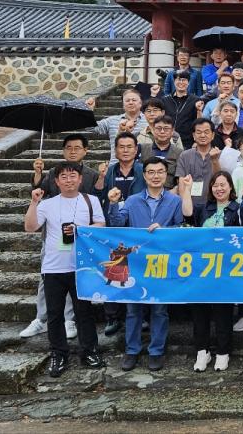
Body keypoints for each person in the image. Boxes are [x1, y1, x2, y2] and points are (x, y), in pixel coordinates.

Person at [23, 161, 106, 377]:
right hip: (53, 267)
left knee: (84, 312)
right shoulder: (47, 204)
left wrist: (80, 229)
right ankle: (58, 353)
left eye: (73, 176)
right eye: (64, 177)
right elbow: (30, 227)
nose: (69, 180)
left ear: (80, 179)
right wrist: (33, 202)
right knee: (54, 314)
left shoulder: (91, 200)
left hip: (81, 266)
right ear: (56, 181)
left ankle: (89, 351)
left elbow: (101, 224)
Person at [110, 160, 192, 371]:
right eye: (151, 172)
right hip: (136, 263)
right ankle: (132, 350)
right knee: (133, 309)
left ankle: (156, 351)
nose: (156, 176)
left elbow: (181, 227)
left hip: (162, 263)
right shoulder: (132, 200)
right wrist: (113, 204)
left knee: (160, 310)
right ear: (144, 176)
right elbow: (117, 224)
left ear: (166, 175)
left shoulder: (175, 201)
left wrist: (164, 230)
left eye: (160, 172)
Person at [23, 134, 97, 340]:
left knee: (75, 279)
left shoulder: (91, 175)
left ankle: (69, 319)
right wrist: (38, 174)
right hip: (55, 235)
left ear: (85, 151)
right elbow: (38, 192)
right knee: (47, 278)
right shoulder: (54, 173)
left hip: (79, 238)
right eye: (68, 148)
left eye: (77, 148)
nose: (73, 151)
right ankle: (41, 318)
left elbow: (96, 201)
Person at [190, 171, 243, 371]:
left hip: (226, 270)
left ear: (231, 187)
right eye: (215, 185)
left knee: (223, 311)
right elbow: (188, 220)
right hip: (202, 269)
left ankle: (223, 352)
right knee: (200, 311)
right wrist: (185, 191)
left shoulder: (238, 208)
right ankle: (202, 351)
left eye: (223, 184)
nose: (219, 189)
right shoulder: (203, 208)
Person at [95, 132, 145, 336]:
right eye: (121, 147)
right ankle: (112, 317)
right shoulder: (109, 171)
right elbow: (98, 194)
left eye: (129, 146)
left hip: (136, 225)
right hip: (113, 226)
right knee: (113, 271)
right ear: (115, 150)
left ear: (136, 149)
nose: (125, 150)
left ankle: (141, 315)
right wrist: (100, 177)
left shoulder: (143, 170)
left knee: (137, 270)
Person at [175, 118, 223, 217]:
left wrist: (215, 160)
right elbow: (181, 185)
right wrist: (185, 207)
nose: (202, 135)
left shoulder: (221, 154)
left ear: (213, 135)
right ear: (193, 135)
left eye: (206, 132)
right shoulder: (185, 155)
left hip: (214, 206)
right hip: (189, 205)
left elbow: (220, 180)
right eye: (199, 132)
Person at [89, 88, 146, 165]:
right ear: (123, 104)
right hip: (116, 166)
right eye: (127, 100)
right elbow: (91, 128)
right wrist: (89, 111)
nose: (131, 102)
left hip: (142, 166)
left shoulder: (149, 121)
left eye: (134, 100)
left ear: (140, 103)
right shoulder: (112, 120)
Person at [139, 116, 184, 185]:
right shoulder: (142, 149)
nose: (162, 131)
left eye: (166, 129)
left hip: (169, 190)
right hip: (145, 189)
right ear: (153, 130)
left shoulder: (180, 153)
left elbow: (181, 180)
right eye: (159, 128)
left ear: (172, 131)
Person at [160, 69, 200, 143]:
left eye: (184, 80)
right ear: (174, 82)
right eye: (178, 79)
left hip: (188, 141)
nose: (181, 82)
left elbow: (198, 122)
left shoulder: (195, 100)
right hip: (167, 140)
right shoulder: (165, 100)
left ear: (188, 82)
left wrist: (196, 142)